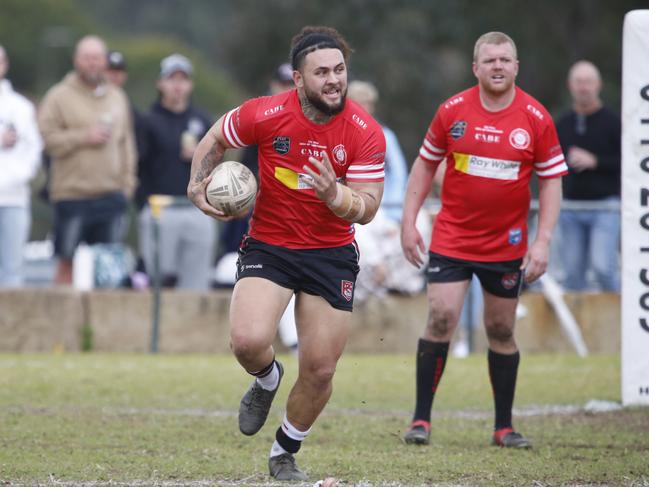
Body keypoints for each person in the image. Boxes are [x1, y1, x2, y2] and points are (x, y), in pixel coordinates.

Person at [187, 26, 385, 480]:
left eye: (340, 70)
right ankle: (266, 378)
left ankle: (283, 452)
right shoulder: (267, 113)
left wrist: (337, 197)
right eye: (321, 72)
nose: (334, 79)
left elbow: (369, 206)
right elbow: (218, 136)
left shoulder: (364, 132)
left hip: (331, 254)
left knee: (319, 369)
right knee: (248, 342)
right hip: (271, 244)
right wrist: (197, 184)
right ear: (298, 79)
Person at [401, 31, 567, 449]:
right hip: (453, 237)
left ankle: (504, 427)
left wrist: (542, 241)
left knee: (500, 328)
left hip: (506, 244)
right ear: (475, 67)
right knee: (441, 317)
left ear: (516, 67)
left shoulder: (537, 118)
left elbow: (550, 184)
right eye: (489, 60)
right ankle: (421, 420)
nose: (497, 66)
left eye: (505, 60)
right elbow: (424, 167)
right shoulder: (451, 111)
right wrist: (409, 222)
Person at [38, 35, 136, 285]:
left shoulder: (117, 97)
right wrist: (83, 137)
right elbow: (47, 140)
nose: (92, 63)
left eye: (97, 58)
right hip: (72, 195)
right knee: (66, 260)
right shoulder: (58, 96)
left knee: (107, 267)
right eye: (87, 58)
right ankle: (60, 320)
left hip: (111, 195)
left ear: (104, 61)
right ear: (76, 61)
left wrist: (128, 185)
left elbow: (127, 144)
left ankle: (100, 324)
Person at [137, 54, 215, 290]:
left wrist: (201, 158)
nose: (178, 85)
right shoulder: (148, 121)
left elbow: (217, 162)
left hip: (196, 208)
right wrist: (142, 203)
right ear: (161, 84)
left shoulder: (201, 120)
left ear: (190, 85)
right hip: (160, 208)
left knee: (196, 282)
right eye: (172, 79)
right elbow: (137, 165)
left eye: (183, 79)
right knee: (159, 281)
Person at [555, 60, 621, 292]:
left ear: (599, 85)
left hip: (605, 207)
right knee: (572, 276)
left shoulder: (615, 123)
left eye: (589, 82)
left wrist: (595, 161)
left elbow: (629, 164)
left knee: (603, 268)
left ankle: (625, 320)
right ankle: (578, 327)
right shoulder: (561, 124)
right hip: (570, 208)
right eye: (579, 82)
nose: (584, 87)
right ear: (570, 86)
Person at [0, 44, 43, 287]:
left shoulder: (21, 107)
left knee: (12, 270)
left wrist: (17, 177)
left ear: (5, 65)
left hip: (14, 198)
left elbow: (33, 149)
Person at [347, 80, 408, 223]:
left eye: (369, 103)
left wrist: (394, 215)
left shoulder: (386, 136)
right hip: (351, 209)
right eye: (360, 102)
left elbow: (399, 173)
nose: (366, 107)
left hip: (383, 210)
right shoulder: (341, 135)